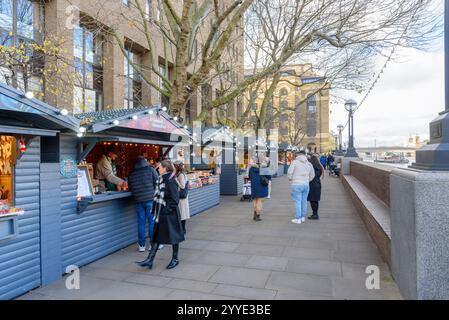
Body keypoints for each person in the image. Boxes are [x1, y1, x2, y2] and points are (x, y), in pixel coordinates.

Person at [136, 160, 185, 270]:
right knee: (156, 236)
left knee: (174, 237)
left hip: (169, 214)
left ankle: (175, 259)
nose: (158, 169)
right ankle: (150, 260)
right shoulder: (161, 178)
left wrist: (166, 210)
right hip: (160, 213)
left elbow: (175, 199)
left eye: (160, 167)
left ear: (165, 168)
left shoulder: (170, 180)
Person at [128, 156, 159, 252]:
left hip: (138, 201)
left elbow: (130, 188)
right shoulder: (151, 170)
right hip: (150, 200)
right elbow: (157, 182)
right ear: (145, 162)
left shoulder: (131, 174)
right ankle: (152, 244)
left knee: (141, 223)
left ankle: (142, 246)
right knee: (151, 222)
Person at [288, 150, 315, 225]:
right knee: (304, 201)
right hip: (306, 184)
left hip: (296, 184)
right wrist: (307, 180)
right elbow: (312, 175)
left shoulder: (295, 162)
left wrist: (290, 179)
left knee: (297, 201)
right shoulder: (309, 163)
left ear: (298, 155)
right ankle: (302, 217)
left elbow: (289, 172)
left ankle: (298, 218)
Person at [248, 154, 272, 222]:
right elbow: (269, 177)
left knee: (255, 199)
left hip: (254, 186)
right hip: (262, 186)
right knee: (260, 201)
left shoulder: (251, 168)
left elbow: (249, 176)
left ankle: (255, 214)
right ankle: (257, 216)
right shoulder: (264, 167)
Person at [174, 161, 190, 234]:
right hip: (182, 197)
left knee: (182, 214)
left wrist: (176, 180)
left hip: (182, 197)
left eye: (174, 166)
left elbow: (182, 186)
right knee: (182, 214)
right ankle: (182, 230)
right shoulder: (181, 174)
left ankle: (182, 230)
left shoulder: (180, 175)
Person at [308, 154, 326, 220]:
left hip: (311, 184)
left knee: (312, 200)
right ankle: (315, 213)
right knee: (316, 200)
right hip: (318, 184)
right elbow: (322, 176)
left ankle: (315, 214)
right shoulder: (320, 166)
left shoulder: (310, 166)